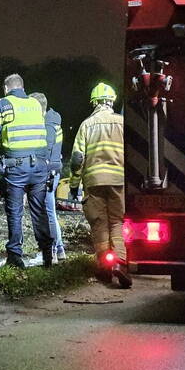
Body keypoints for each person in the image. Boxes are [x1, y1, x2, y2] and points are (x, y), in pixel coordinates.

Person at [0, 73, 52, 268]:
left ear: (6, 88)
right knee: (39, 211)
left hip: (16, 167)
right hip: (39, 166)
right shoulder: (35, 104)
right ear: (22, 87)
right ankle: (47, 254)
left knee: (15, 212)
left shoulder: (3, 103)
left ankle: (15, 255)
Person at [69, 83, 130, 288]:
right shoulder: (123, 123)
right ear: (112, 101)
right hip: (118, 181)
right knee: (117, 223)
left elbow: (77, 158)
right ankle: (120, 263)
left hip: (94, 182)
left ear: (94, 102)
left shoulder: (87, 125)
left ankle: (105, 266)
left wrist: (74, 184)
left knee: (99, 224)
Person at [29, 91, 66, 261]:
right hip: (52, 170)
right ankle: (59, 249)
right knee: (49, 210)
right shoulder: (52, 120)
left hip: (48, 172)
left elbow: (47, 150)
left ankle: (52, 250)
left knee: (47, 212)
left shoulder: (48, 124)